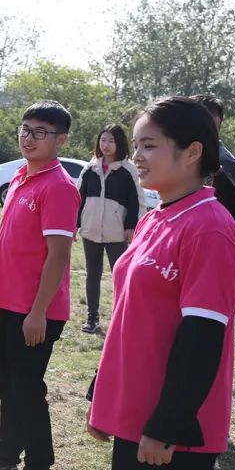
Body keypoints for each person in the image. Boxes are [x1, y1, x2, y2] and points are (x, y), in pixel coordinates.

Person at [87, 97, 235, 470]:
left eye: (150, 146)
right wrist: (106, 394)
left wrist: (167, 424)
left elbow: (202, 336)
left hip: (172, 429)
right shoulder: (156, 217)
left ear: (192, 152)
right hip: (137, 412)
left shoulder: (209, 228)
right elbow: (131, 317)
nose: (136, 156)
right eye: (136, 145)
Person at [0, 100, 80, 470]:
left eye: (40, 132)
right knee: (7, 387)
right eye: (25, 129)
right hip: (11, 306)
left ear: (60, 140)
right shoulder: (21, 177)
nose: (28, 137)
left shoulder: (60, 187)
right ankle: (3, 465)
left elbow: (58, 256)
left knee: (27, 391)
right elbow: (9, 248)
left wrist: (37, 312)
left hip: (39, 312)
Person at [76, 124, 146, 335]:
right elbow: (78, 198)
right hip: (90, 231)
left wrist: (132, 227)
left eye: (111, 141)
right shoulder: (90, 168)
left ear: (119, 144)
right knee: (92, 275)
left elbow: (137, 201)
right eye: (103, 140)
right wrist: (74, 224)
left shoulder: (129, 170)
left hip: (117, 233)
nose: (106, 145)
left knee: (121, 276)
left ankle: (121, 317)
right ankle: (92, 318)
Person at [190, 94, 235, 226]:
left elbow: (226, 217)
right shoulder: (199, 157)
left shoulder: (224, 163)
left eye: (191, 119)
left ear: (215, 122)